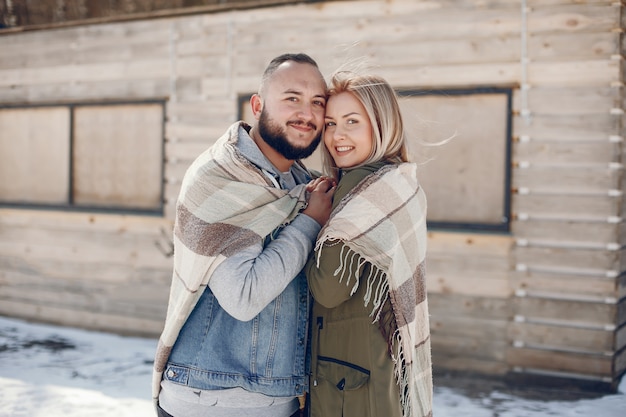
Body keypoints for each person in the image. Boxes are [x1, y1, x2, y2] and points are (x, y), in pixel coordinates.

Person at [151, 53, 336, 417]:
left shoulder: (301, 185)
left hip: (280, 396)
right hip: (211, 397)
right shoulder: (221, 176)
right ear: (257, 105)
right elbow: (243, 296)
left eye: (317, 102)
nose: (307, 113)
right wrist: (310, 221)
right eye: (292, 98)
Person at [305, 71, 433, 417]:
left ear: (381, 125)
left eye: (351, 121)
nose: (337, 135)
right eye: (330, 124)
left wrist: (311, 222)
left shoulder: (360, 188)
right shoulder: (400, 183)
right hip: (383, 372)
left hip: (350, 387)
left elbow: (329, 288)